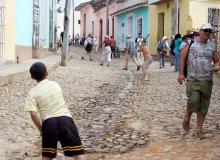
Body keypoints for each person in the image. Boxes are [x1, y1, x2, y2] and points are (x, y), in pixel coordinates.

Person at [24, 62, 86, 160]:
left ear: (32, 77)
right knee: (78, 152)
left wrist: (41, 129)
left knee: (47, 155)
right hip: (66, 120)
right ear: (46, 73)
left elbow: (33, 113)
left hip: (49, 123)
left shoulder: (32, 92)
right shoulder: (55, 85)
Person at [178, 23, 220, 136]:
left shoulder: (212, 46)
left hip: (207, 79)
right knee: (193, 100)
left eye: (209, 31)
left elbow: (216, 60)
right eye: (205, 30)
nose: (207, 33)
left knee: (204, 105)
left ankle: (199, 129)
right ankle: (187, 116)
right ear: (200, 31)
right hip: (193, 78)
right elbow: (182, 58)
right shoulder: (190, 43)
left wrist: (217, 65)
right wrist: (181, 73)